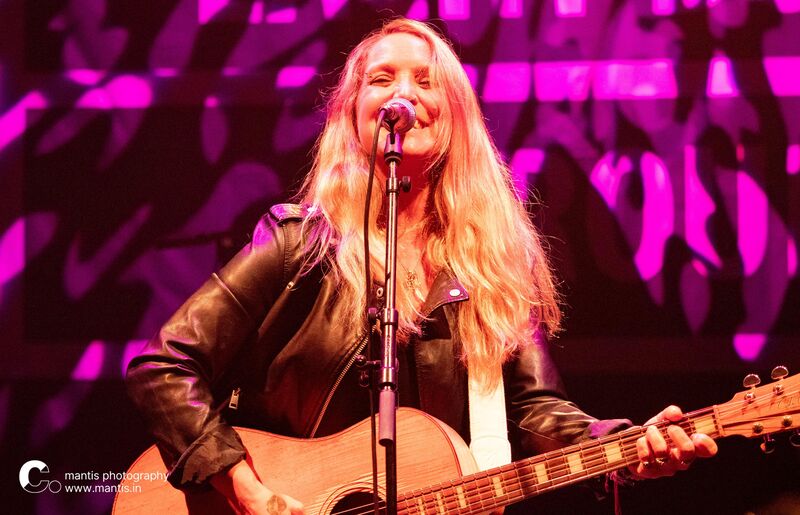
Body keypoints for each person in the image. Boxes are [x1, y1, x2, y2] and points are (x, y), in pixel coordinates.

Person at [126, 17, 717, 515]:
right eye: (380, 79)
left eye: (425, 81)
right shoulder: (299, 243)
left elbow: (533, 412)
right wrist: (246, 490)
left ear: (453, 116)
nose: (401, 95)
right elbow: (163, 365)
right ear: (352, 114)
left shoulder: (491, 269)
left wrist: (627, 446)